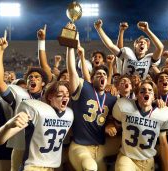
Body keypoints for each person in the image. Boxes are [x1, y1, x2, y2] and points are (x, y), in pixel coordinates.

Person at [65, 23, 118, 171]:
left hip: (100, 147)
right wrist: (70, 43)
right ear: (92, 78)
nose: (101, 75)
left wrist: (111, 125)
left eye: (104, 74)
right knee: (90, 167)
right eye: (98, 74)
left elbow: (112, 119)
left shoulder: (112, 97)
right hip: (80, 146)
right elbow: (71, 71)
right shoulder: (83, 88)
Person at [0, 31, 49, 171]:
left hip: (42, 148)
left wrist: (42, 42)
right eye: (30, 77)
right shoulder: (19, 94)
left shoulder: (49, 97)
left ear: (43, 83)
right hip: (20, 148)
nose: (32, 79)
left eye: (37, 77)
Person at [0, 81, 74, 171]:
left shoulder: (69, 114)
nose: (65, 96)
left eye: (67, 94)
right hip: (33, 166)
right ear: (50, 97)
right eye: (60, 94)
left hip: (52, 166)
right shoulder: (36, 110)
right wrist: (8, 125)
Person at [112, 80, 168, 171]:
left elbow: (163, 144)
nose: (146, 92)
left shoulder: (164, 114)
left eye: (150, 90)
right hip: (127, 157)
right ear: (136, 95)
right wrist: (110, 125)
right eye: (142, 90)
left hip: (147, 161)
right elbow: (116, 125)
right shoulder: (123, 105)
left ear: (154, 97)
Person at [94, 19, 163, 79]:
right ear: (135, 45)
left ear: (147, 49)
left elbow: (160, 47)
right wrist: (99, 29)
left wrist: (147, 30)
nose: (142, 43)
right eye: (140, 42)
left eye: (144, 43)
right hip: (124, 86)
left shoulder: (149, 58)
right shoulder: (128, 53)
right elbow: (111, 45)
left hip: (139, 89)